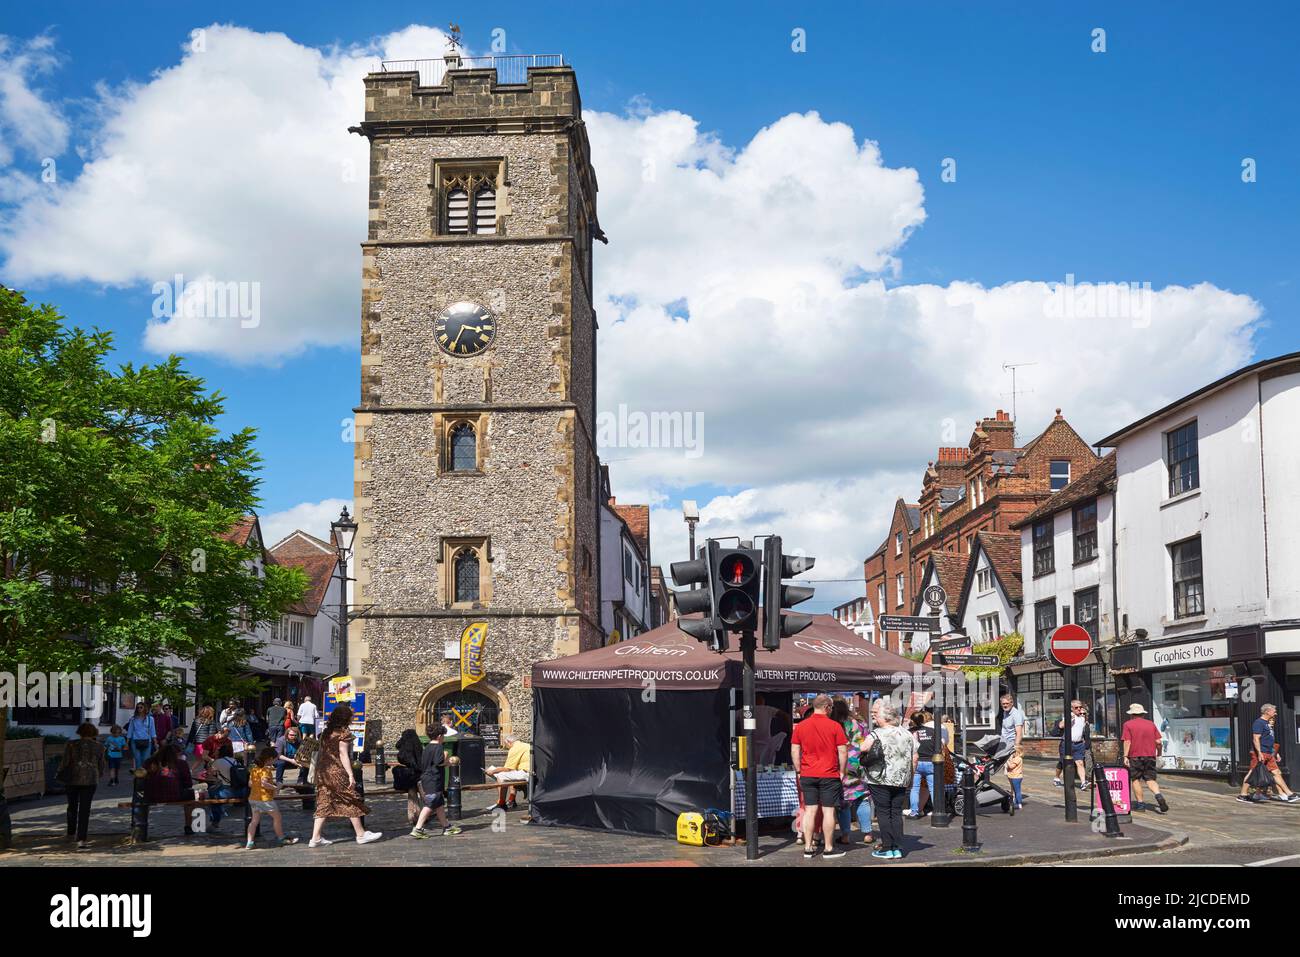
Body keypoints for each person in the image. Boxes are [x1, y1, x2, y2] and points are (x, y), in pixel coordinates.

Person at [308, 704, 381, 847]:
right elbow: (343, 755)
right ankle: (361, 834)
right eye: (351, 716)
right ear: (345, 718)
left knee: (324, 802)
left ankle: (315, 838)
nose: (352, 718)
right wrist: (350, 774)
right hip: (336, 771)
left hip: (323, 772)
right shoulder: (343, 733)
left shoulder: (326, 732)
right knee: (349, 799)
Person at [790, 693, 848, 860]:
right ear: (826, 707)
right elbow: (842, 751)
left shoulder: (800, 726)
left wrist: (799, 770)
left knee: (809, 811)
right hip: (829, 773)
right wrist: (842, 771)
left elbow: (795, 750)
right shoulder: (835, 726)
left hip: (807, 773)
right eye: (830, 707)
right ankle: (829, 848)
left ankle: (808, 848)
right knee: (828, 811)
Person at [865, 698, 917, 861]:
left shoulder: (877, 733)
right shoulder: (907, 734)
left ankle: (887, 847)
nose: (875, 719)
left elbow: (863, 748)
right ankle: (897, 848)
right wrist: (910, 777)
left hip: (880, 779)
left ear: (886, 718)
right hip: (901, 779)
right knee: (895, 812)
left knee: (883, 811)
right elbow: (914, 758)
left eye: (877, 716)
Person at [831, 697, 873, 846]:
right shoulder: (860, 722)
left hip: (840, 764)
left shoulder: (834, 724)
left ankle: (845, 836)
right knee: (863, 798)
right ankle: (868, 833)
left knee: (844, 802)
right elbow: (868, 741)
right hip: (859, 764)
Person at [410, 726, 463, 838]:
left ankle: (446, 827)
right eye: (443, 736)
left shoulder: (427, 747)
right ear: (439, 736)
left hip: (427, 778)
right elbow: (439, 762)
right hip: (433, 779)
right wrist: (446, 757)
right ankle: (418, 829)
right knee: (430, 803)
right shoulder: (438, 747)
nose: (443, 738)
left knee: (439, 804)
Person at [1238, 704, 1297, 804]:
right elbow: (1256, 738)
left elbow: (1269, 739)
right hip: (1261, 753)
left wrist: (1275, 753)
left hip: (1269, 753)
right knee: (1252, 773)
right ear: (1267, 712)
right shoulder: (1259, 723)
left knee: (1276, 773)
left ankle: (1289, 794)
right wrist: (1259, 753)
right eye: (1274, 711)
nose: (1276, 713)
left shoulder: (1266, 723)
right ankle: (1243, 795)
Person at [244, 747, 300, 848]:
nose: (276, 761)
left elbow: (250, 784)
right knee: (277, 817)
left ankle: (249, 842)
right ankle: (281, 838)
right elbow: (264, 783)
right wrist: (275, 787)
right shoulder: (266, 770)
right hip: (265, 799)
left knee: (254, 821)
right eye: (275, 759)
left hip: (253, 798)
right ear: (269, 759)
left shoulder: (254, 769)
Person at [62, 722, 106, 849]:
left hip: (72, 779)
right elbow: (101, 765)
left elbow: (65, 762)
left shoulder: (71, 744)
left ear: (80, 732)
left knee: (72, 806)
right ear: (94, 733)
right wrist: (99, 773)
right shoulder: (99, 747)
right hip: (90, 780)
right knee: (85, 809)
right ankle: (81, 839)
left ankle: (70, 833)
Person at [1120, 703, 1168, 813]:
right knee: (1150, 779)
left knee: (1135, 779)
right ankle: (1158, 795)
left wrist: (1125, 756)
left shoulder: (1128, 724)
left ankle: (1141, 804)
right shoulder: (1151, 724)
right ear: (1143, 714)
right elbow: (1158, 742)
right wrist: (1159, 753)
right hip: (1150, 755)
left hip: (1135, 756)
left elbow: (1127, 741)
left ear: (1132, 714)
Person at [906, 710, 949, 818]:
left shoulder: (910, 732)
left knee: (914, 788)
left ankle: (914, 812)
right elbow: (939, 745)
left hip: (916, 762)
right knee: (933, 788)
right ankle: (937, 811)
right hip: (931, 761)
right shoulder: (932, 731)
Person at [206, 740, 246, 832]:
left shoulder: (218, 762)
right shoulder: (235, 761)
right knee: (215, 793)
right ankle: (218, 816)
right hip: (241, 790)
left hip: (228, 791)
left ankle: (215, 822)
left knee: (213, 795)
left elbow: (210, 774)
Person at [485, 734, 531, 810]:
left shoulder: (515, 748)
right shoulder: (526, 745)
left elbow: (508, 768)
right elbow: (511, 768)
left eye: (506, 745)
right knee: (509, 774)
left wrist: (493, 771)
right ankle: (511, 799)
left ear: (509, 742)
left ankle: (501, 803)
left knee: (501, 776)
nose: (506, 747)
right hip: (529, 771)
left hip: (526, 773)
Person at [1053, 700, 1091, 789]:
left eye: (1080, 707)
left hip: (1079, 744)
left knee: (1080, 763)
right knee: (1063, 763)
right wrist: (1070, 719)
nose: (1079, 709)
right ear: (1071, 708)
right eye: (1076, 707)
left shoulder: (1082, 717)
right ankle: (1057, 777)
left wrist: (1085, 715)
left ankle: (1083, 782)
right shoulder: (1069, 716)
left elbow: (1086, 726)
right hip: (1067, 743)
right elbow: (1061, 726)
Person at [997, 694, 1025, 809]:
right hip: (1005, 745)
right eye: (1003, 704)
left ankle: (1014, 795)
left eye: (1006, 704)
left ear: (1011, 703)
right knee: (1008, 772)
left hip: (1012, 746)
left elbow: (1019, 732)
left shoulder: (1016, 714)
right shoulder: (1005, 712)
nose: (1004, 706)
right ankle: (1013, 793)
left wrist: (1016, 748)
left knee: (1013, 770)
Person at [395, 728, 426, 826]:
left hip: (408, 777)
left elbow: (398, 746)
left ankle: (413, 814)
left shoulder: (404, 751)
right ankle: (423, 813)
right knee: (420, 793)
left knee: (412, 793)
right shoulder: (418, 748)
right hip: (419, 776)